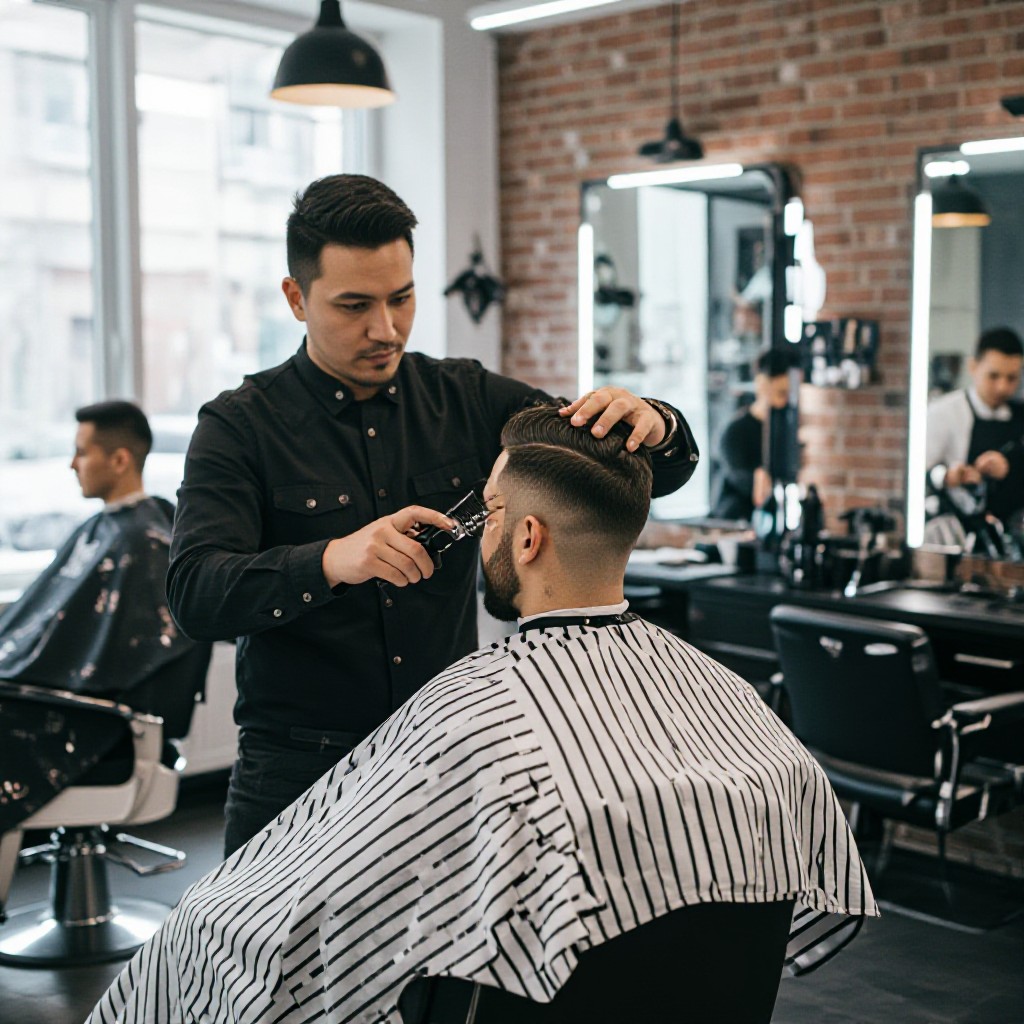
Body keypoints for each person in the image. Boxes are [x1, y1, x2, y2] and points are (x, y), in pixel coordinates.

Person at [88, 405, 875, 1024]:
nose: (480, 529)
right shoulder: (737, 707)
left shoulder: (474, 725)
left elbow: (311, 938)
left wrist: (205, 921)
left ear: (527, 537)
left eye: (490, 511)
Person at [167, 173, 699, 857]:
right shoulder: (240, 427)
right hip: (296, 771)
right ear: (296, 299)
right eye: (354, 305)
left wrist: (655, 424)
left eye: (402, 297)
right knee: (273, 967)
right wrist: (334, 559)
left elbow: (604, 467)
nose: (385, 328)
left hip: (442, 752)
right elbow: (193, 596)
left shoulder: (468, 398)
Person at [0, 401, 199, 701]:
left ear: (119, 460)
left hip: (85, 714)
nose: (72, 464)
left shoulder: (140, 542)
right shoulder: (102, 529)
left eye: (81, 453)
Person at [926, 326, 1024, 531]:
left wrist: (1010, 467)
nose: (1002, 387)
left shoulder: (1020, 415)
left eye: (1012, 378)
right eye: (994, 376)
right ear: (973, 367)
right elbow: (921, 472)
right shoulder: (943, 413)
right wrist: (948, 476)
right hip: (959, 533)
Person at [711, 348, 794, 521]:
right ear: (762, 383)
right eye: (782, 391)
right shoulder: (734, 432)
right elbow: (740, 480)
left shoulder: (789, 430)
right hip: (734, 523)